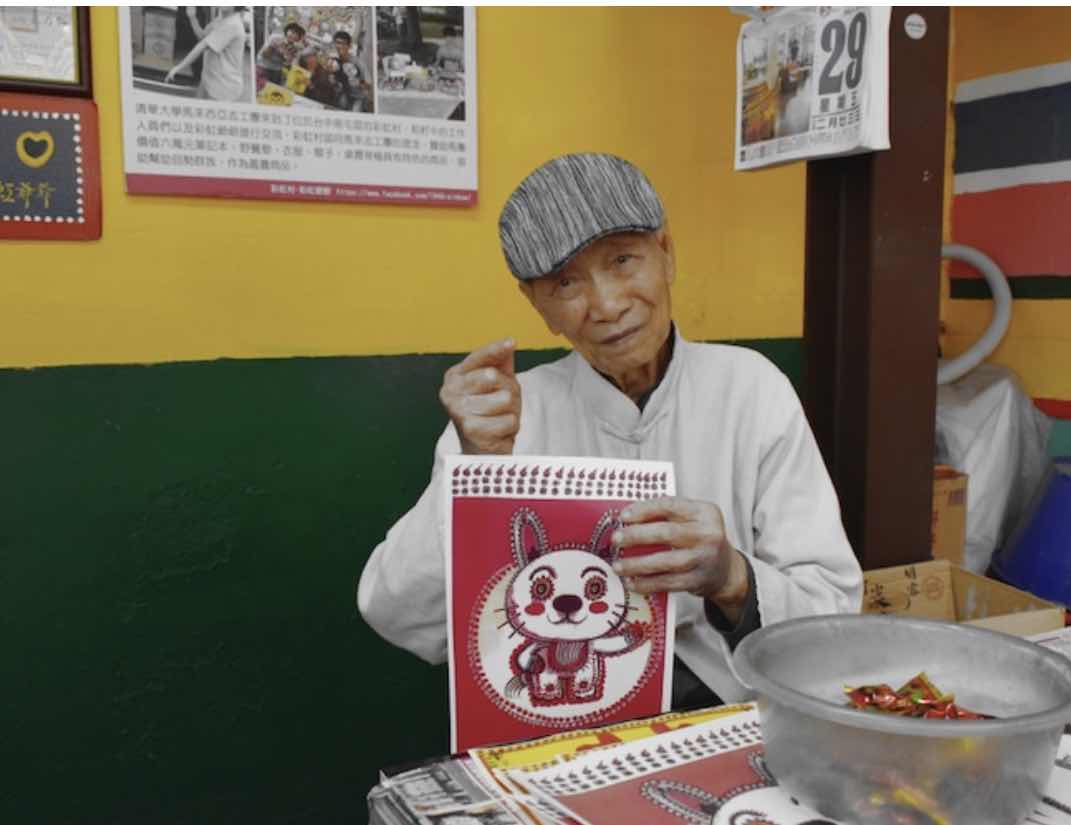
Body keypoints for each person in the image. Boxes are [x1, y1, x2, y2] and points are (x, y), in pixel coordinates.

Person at [357, 153, 862, 709]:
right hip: (560, 715)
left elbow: (834, 614)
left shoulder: (751, 389)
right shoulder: (508, 416)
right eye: (566, 282)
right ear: (537, 304)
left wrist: (731, 576)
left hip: (727, 713)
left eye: (623, 260)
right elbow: (396, 612)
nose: (607, 305)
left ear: (666, 254)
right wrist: (476, 471)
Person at [165, 6, 249, 102]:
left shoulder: (232, 24)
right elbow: (202, 36)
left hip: (223, 86)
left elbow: (203, 46)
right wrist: (192, 17)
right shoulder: (220, 19)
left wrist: (178, 67)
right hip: (209, 78)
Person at [330, 30, 371, 112]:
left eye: (343, 44)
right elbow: (334, 82)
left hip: (358, 97)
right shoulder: (333, 61)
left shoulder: (358, 62)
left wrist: (359, 83)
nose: (340, 46)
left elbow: (369, 86)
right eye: (337, 43)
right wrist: (332, 79)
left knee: (355, 112)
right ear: (334, 44)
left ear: (349, 46)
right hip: (343, 95)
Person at [257, 21, 306, 86]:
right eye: (293, 32)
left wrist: (289, 58)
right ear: (287, 31)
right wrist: (275, 47)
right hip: (263, 67)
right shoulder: (276, 38)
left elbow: (290, 63)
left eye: (298, 35)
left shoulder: (295, 48)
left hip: (277, 71)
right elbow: (264, 54)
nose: (294, 36)